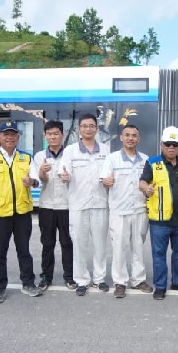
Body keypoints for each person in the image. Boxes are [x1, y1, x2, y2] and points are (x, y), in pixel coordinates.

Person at [0, 120, 42, 303]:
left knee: (24, 250)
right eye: (6, 134)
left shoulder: (26, 158)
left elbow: (36, 180)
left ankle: (28, 283)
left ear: (18, 137)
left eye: (13, 134)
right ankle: (0, 287)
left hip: (22, 213)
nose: (10, 137)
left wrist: (32, 182)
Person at [139, 126, 178, 300]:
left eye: (174, 144)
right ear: (161, 145)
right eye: (167, 144)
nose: (171, 147)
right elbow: (142, 182)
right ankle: (160, 286)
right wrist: (146, 189)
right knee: (159, 254)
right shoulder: (152, 163)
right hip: (159, 220)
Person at [99, 125, 154, 298]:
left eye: (134, 136)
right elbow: (104, 179)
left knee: (138, 246)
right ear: (121, 138)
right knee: (119, 247)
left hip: (139, 210)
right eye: (127, 135)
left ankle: (138, 280)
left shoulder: (146, 160)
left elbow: (149, 182)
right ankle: (120, 282)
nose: (131, 138)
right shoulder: (112, 159)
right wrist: (106, 181)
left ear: (138, 139)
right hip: (119, 210)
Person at [59, 113, 110, 296]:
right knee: (79, 244)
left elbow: (109, 174)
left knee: (100, 245)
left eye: (91, 126)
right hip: (78, 205)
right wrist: (64, 177)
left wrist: (109, 180)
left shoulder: (105, 150)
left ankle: (99, 279)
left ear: (96, 129)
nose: (88, 129)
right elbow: (64, 173)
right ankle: (81, 279)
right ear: (79, 129)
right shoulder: (70, 151)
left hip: (100, 204)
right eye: (84, 126)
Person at [32, 120, 76, 291]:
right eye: (49, 134)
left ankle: (70, 276)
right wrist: (42, 172)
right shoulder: (39, 156)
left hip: (66, 206)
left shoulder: (70, 154)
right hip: (47, 205)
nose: (53, 137)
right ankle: (46, 276)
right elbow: (40, 180)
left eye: (56, 133)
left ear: (62, 135)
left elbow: (73, 177)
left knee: (67, 242)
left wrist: (68, 178)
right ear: (45, 136)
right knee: (47, 243)